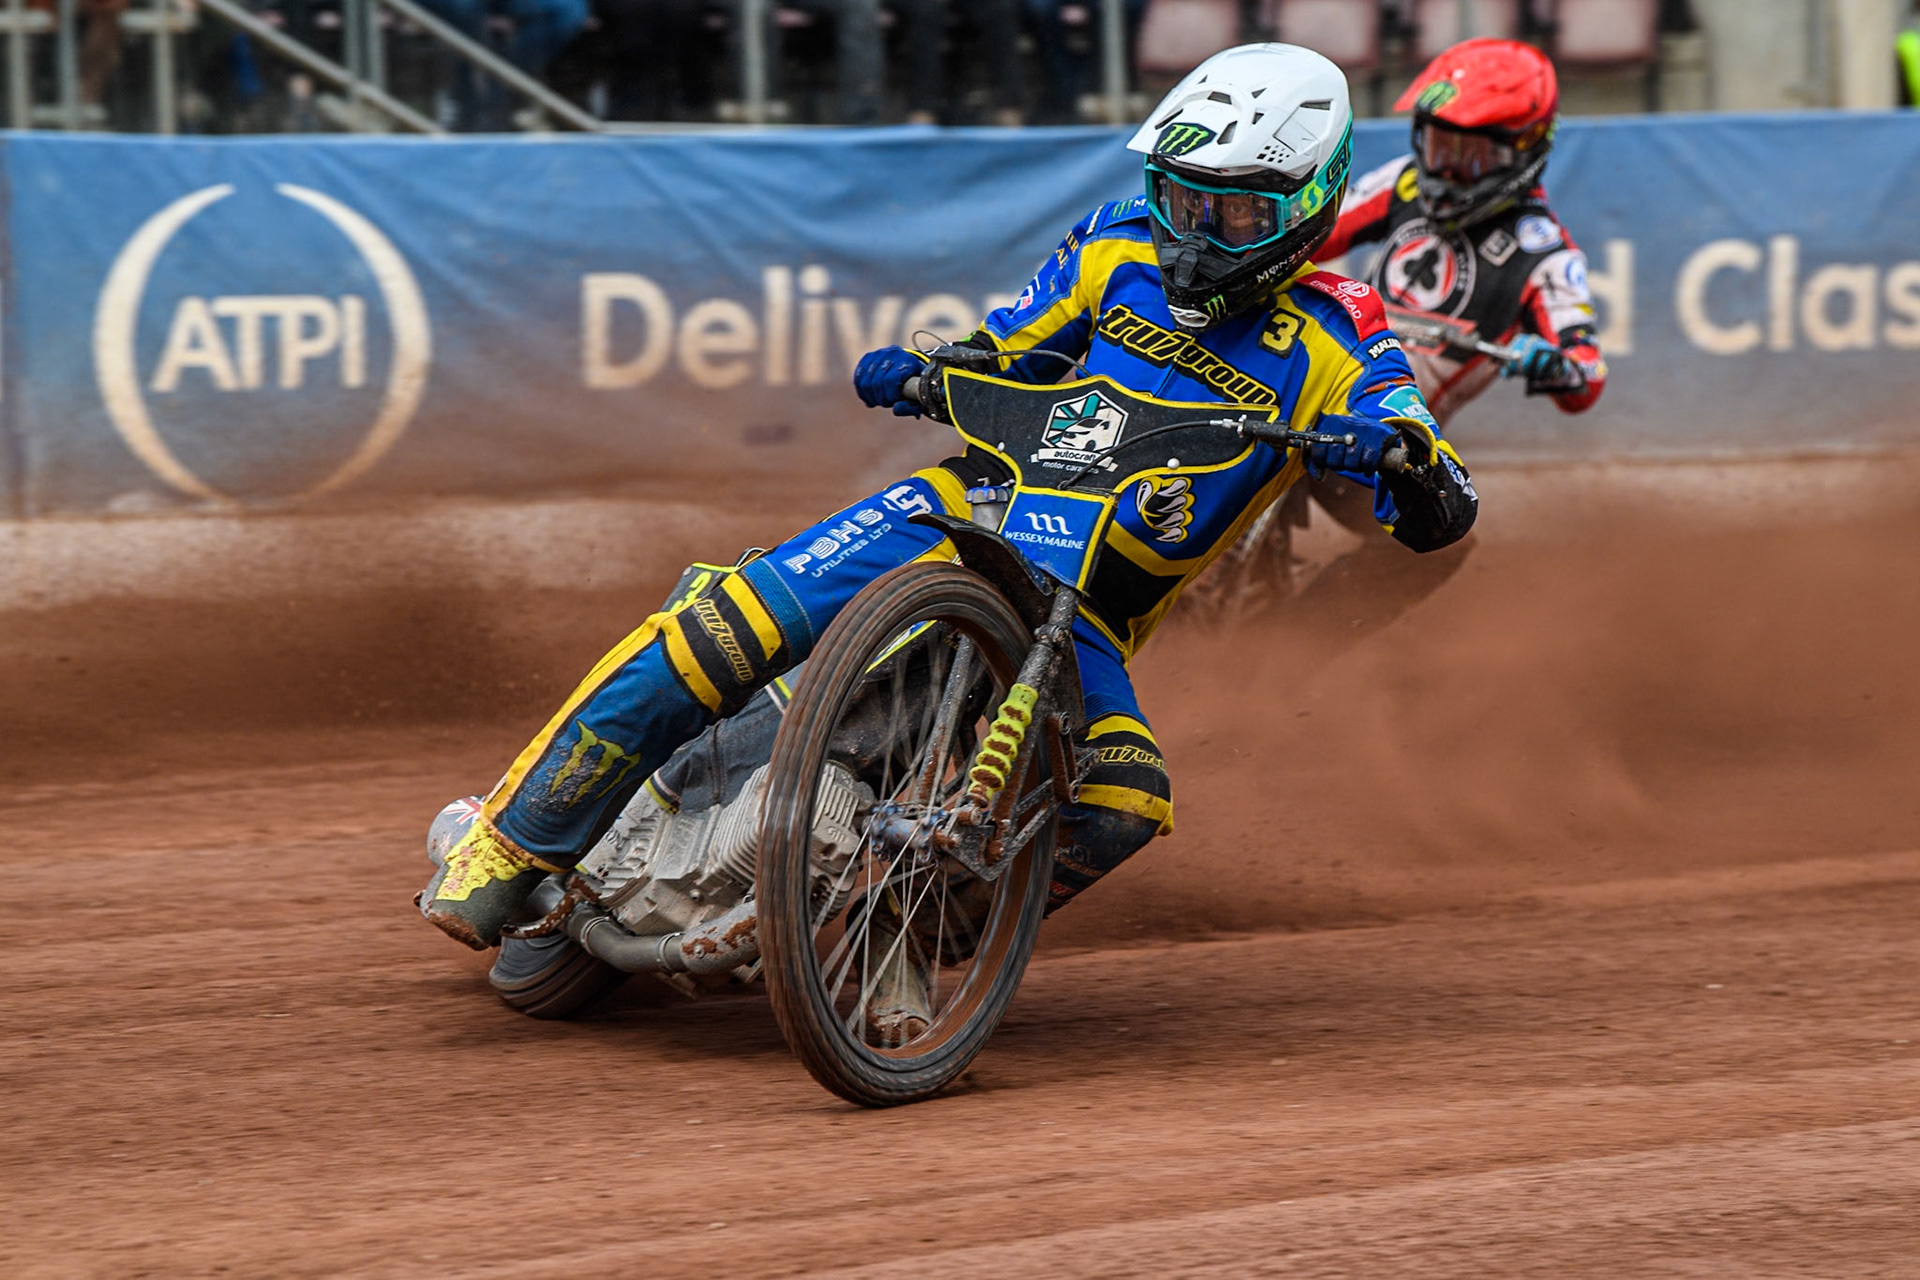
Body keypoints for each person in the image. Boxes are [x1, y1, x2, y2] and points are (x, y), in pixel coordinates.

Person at [418, 45, 1477, 986]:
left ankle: (900, 939)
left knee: (1125, 800)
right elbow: (1004, 345)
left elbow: (1433, 481)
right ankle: (514, 842)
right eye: (1180, 198)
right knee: (732, 623)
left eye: (1233, 210)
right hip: (964, 512)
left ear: (1308, 202)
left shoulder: (1342, 336)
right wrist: (928, 368)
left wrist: (1402, 461)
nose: (1195, 232)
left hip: (1089, 618)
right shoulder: (1117, 245)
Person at [1194, 37, 1605, 619]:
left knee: (1442, 540)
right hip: (1310, 374)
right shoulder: (1404, 183)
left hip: (1383, 442)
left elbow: (1587, 378)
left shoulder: (1546, 255)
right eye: (1438, 147)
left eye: (1470, 157)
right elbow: (1311, 232)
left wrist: (1556, 364)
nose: (1445, 171)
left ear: (1523, 151)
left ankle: (1287, 645)